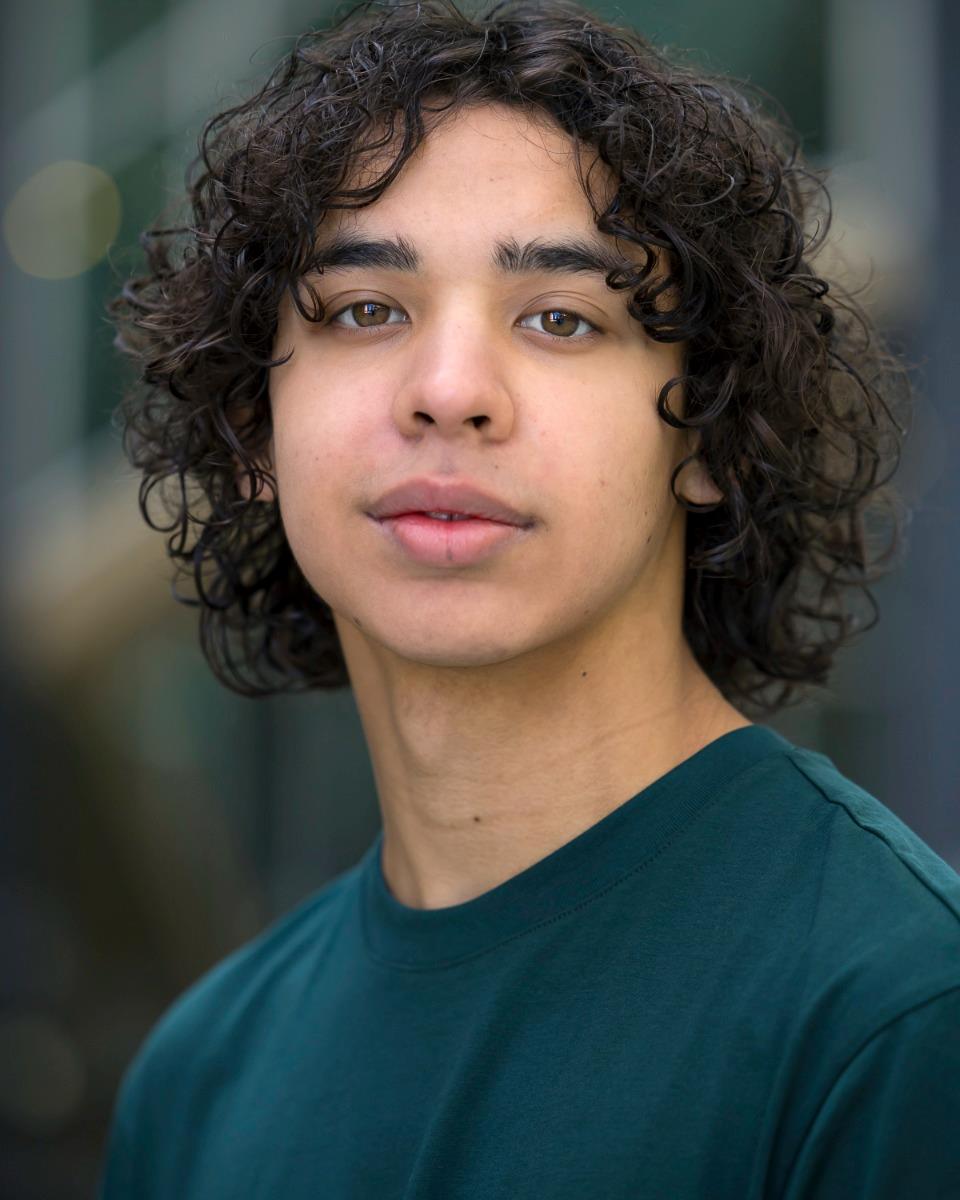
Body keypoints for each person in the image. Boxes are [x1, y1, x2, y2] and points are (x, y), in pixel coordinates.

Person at [98, 0, 960, 1195]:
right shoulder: (199, 1082)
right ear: (256, 428)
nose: (451, 390)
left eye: (561, 317)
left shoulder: (895, 1011)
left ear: (707, 434)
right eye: (367, 310)